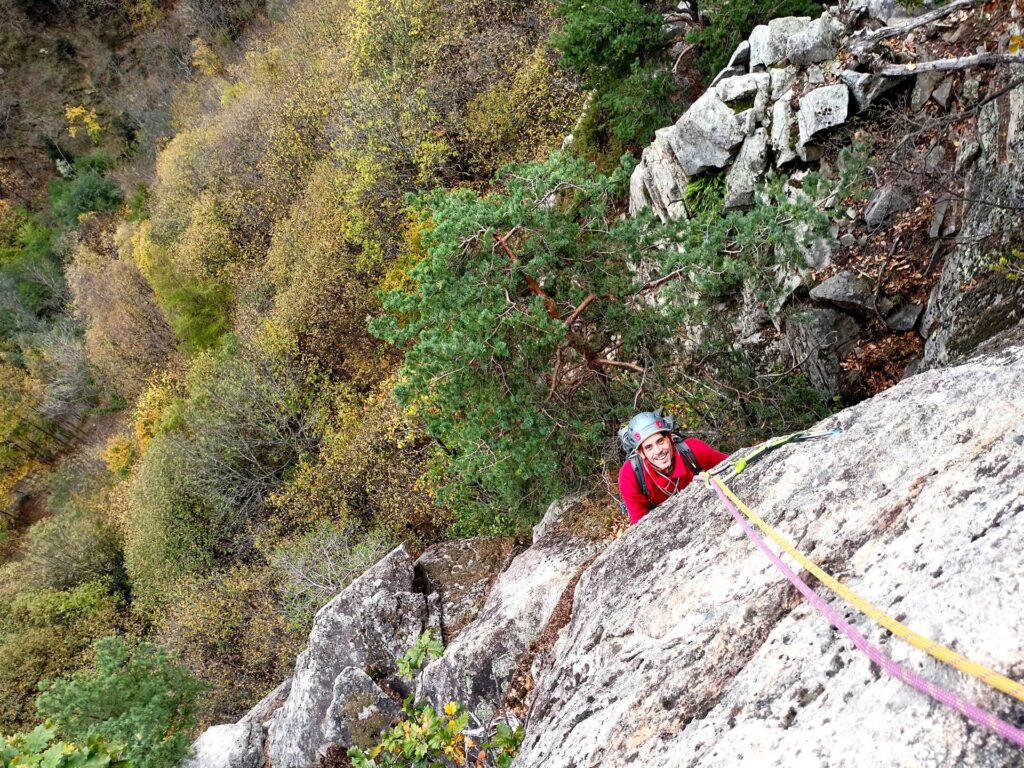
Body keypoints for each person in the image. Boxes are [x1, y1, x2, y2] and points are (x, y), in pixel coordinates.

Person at [618, 411, 727, 525]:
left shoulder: (692, 450)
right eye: (649, 447)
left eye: (660, 441)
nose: (658, 451)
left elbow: (730, 464)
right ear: (641, 453)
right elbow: (640, 524)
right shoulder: (630, 476)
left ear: (669, 438)